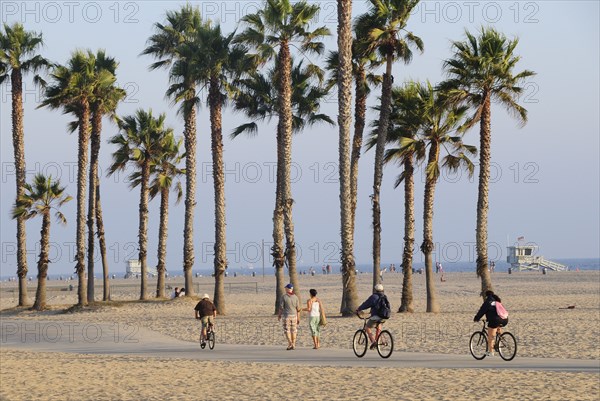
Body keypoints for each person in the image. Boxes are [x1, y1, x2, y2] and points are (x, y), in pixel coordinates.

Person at [473, 290, 509, 356]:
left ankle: (491, 351)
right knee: (498, 327)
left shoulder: (487, 302)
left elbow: (481, 311)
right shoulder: (497, 301)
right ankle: (501, 340)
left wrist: (476, 318)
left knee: (491, 336)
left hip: (495, 320)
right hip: (505, 319)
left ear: (486, 296)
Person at [355, 284, 388, 350]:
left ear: (375, 290)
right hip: (384, 316)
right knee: (378, 327)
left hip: (376, 316)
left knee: (367, 327)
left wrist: (359, 309)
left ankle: (373, 342)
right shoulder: (385, 297)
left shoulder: (374, 297)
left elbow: (366, 304)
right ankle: (380, 341)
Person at [278, 283, 300, 350]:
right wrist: (298, 317)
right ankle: (293, 343)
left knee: (287, 330)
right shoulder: (296, 297)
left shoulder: (284, 297)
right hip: (294, 315)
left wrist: (279, 315)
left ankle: (290, 343)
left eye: (286, 288)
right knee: (294, 330)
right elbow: (298, 309)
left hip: (286, 315)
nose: (285, 289)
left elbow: (281, 307)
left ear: (288, 289)